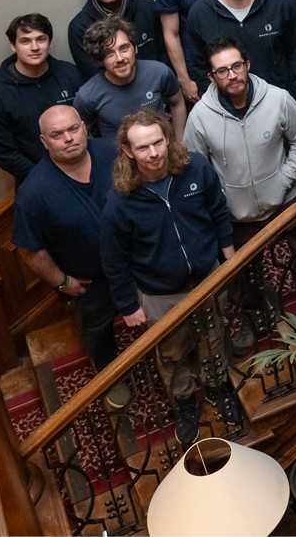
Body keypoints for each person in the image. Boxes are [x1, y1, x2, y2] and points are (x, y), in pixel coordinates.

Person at [101, 109, 236, 447]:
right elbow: (114, 258)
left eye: (158, 142)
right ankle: (186, 403)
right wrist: (128, 305)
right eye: (143, 147)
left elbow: (218, 211)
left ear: (168, 138)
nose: (154, 153)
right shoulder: (120, 200)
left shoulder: (195, 168)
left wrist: (231, 257)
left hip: (207, 277)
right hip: (161, 293)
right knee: (172, 355)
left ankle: (219, 388)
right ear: (128, 152)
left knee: (213, 338)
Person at [11, 105, 125, 402]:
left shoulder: (115, 152)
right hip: (90, 282)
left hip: (138, 261)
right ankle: (111, 377)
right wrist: (62, 281)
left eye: (73, 129)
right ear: (44, 141)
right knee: (98, 332)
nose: (68, 138)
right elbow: (28, 249)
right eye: (57, 134)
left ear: (85, 127)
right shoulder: (33, 193)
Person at [183, 37, 296, 247]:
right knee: (255, 280)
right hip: (239, 222)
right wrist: (221, 196)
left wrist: (284, 178)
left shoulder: (279, 99)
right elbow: (195, 167)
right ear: (212, 77)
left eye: (236, 66)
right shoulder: (199, 116)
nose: (232, 75)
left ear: (247, 65)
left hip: (288, 205)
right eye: (222, 71)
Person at [0, 13, 84, 186]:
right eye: (25, 41)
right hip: (37, 180)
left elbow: (87, 122)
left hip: (82, 168)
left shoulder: (69, 73)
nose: (34, 47)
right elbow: (5, 154)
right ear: (13, 45)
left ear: (50, 43)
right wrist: (47, 179)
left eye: (41, 39)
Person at [75, 16, 186, 139]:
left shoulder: (159, 72)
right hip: (117, 156)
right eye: (109, 53)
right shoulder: (87, 96)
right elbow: (82, 131)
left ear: (135, 48)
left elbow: (177, 102)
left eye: (124, 48)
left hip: (161, 150)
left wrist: (180, 142)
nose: (120, 58)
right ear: (100, 61)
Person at [67, 0, 165, 81]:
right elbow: (93, 77)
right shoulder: (79, 27)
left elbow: (165, 56)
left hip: (158, 89)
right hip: (114, 98)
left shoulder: (147, 8)